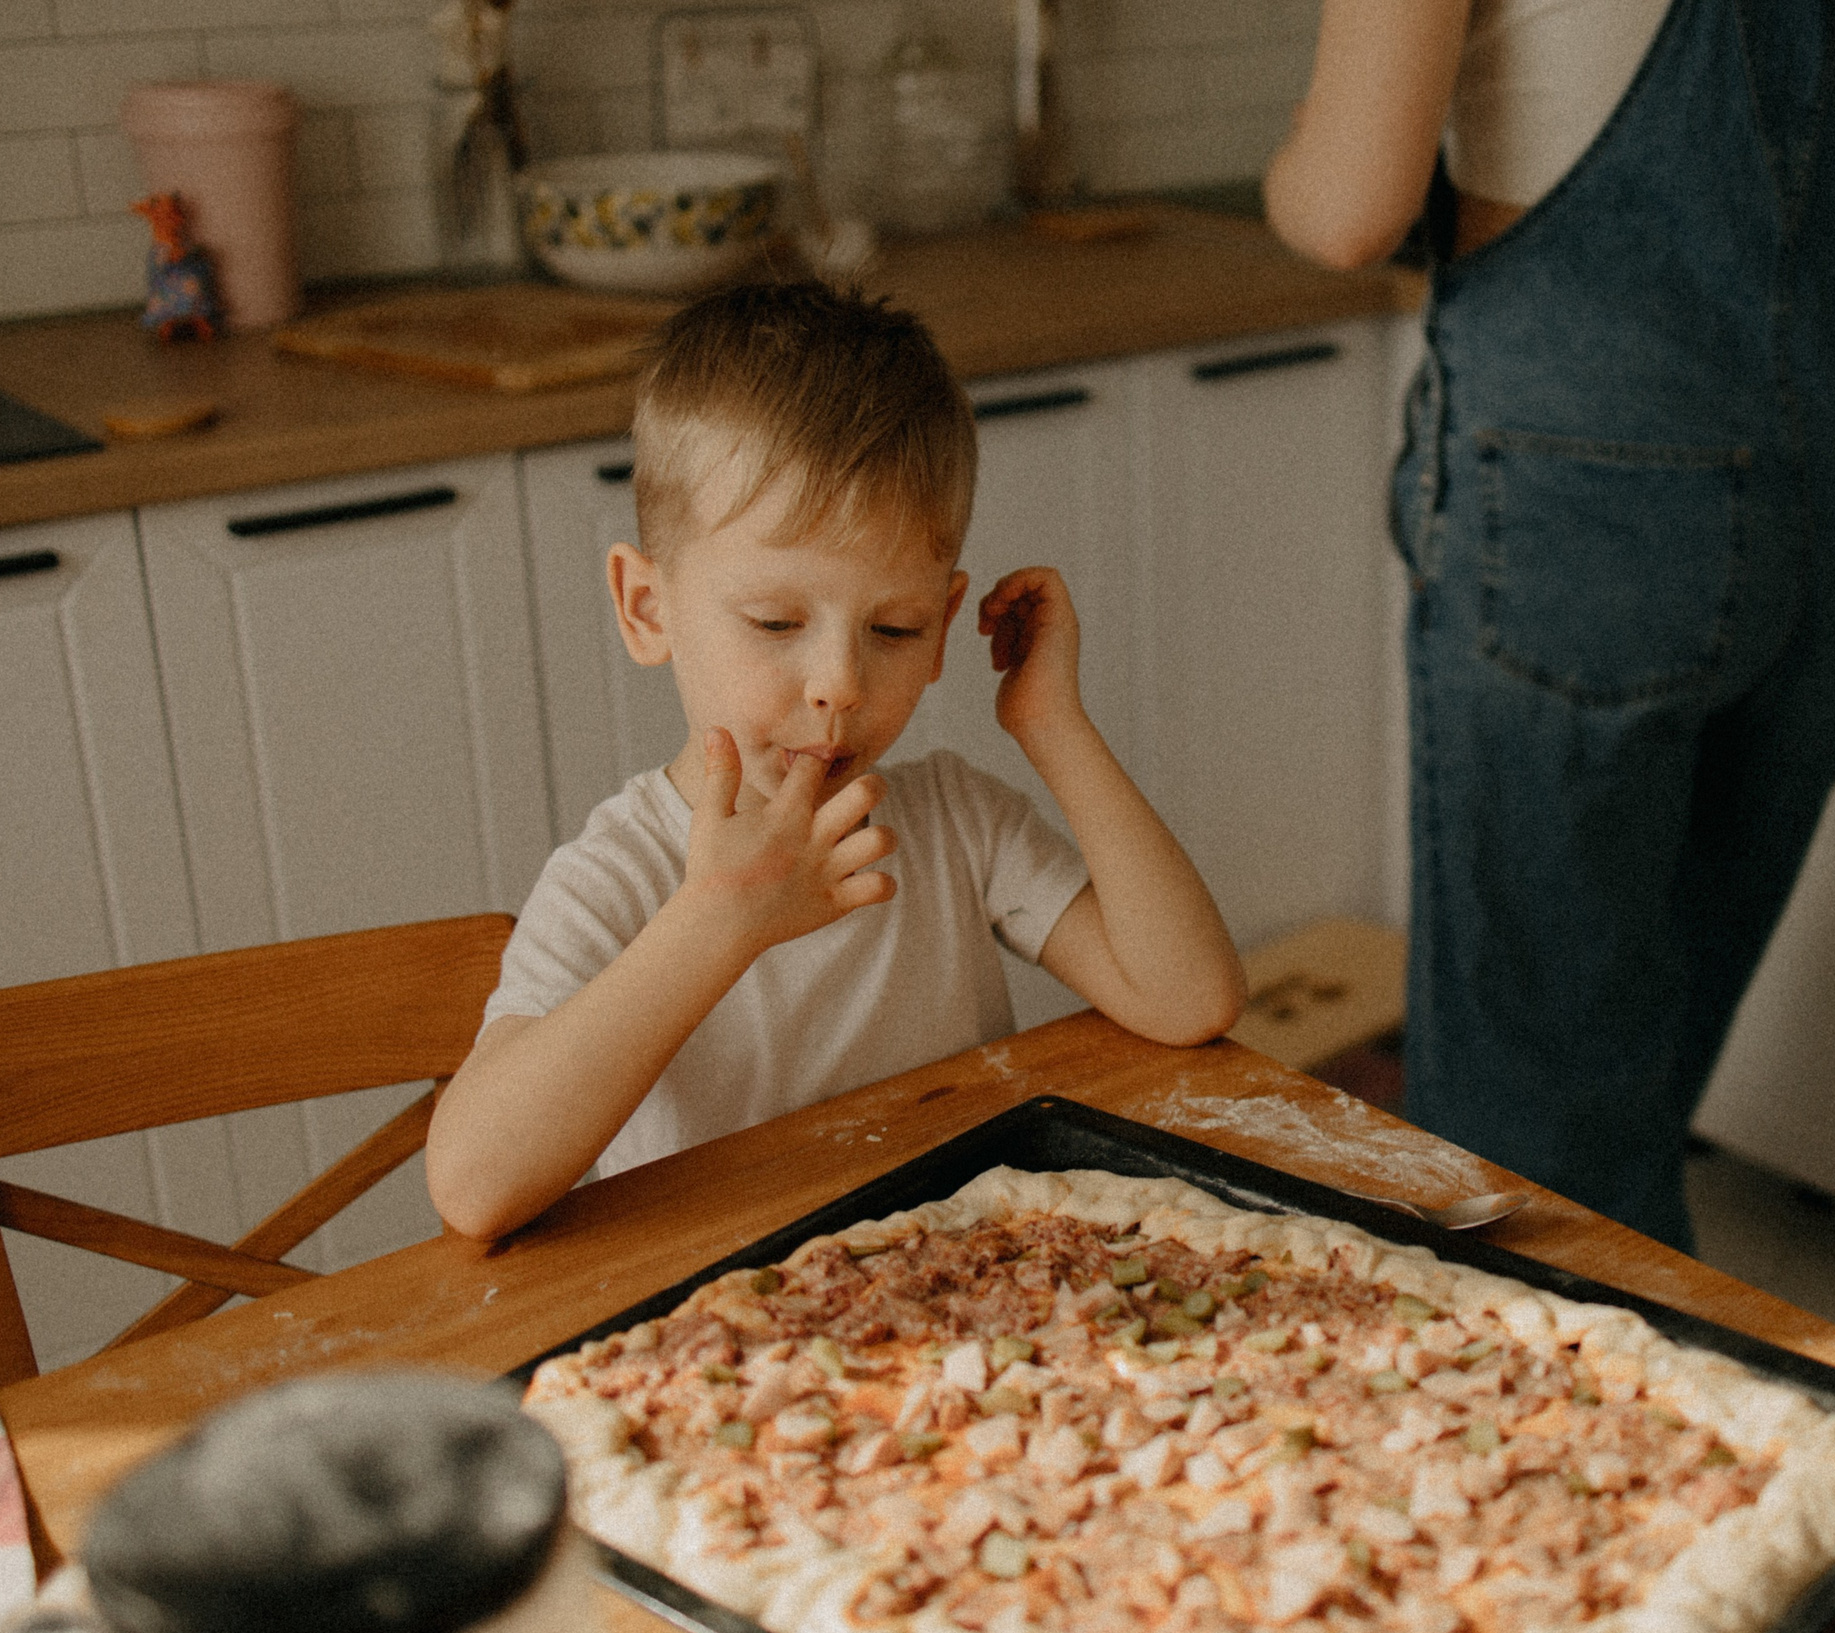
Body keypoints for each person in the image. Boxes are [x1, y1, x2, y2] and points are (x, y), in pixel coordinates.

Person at [1263, 0, 1835, 1250]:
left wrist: (1295, 162)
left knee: (1531, 1105)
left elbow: (1350, 209)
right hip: (1834, 468)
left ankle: (1591, 1413)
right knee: (1645, 1030)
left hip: (1585, 474)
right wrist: (1800, 150)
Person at [427, 282, 1246, 1241]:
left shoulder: (956, 825)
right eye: (776, 622)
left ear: (945, 626)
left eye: (893, 629)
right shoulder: (621, 877)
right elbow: (475, 1182)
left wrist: (1052, 722)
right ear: (648, 608)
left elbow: (1189, 996)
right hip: (730, 1335)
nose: (840, 683)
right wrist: (719, 920)